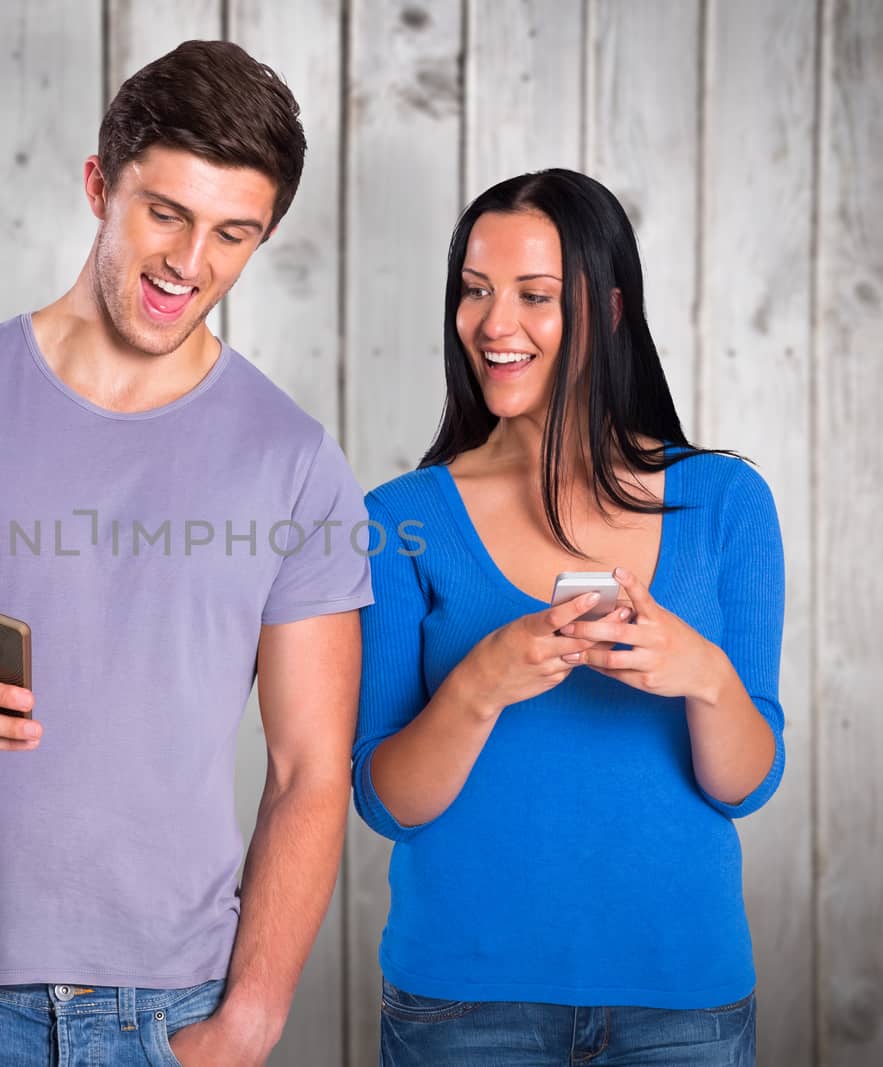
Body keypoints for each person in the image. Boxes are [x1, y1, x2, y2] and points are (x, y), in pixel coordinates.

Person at [0, 40, 373, 1067]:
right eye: (167, 213)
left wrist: (248, 1020)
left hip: (169, 1013)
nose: (190, 263)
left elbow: (307, 770)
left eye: (233, 233)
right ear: (99, 186)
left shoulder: (292, 460)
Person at [352, 169, 784, 1066]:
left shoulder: (726, 502)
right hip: (463, 1004)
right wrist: (476, 686)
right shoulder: (401, 519)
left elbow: (745, 784)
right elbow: (385, 800)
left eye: (535, 296)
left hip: (683, 1002)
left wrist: (702, 675)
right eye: (475, 291)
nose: (494, 324)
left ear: (611, 310)